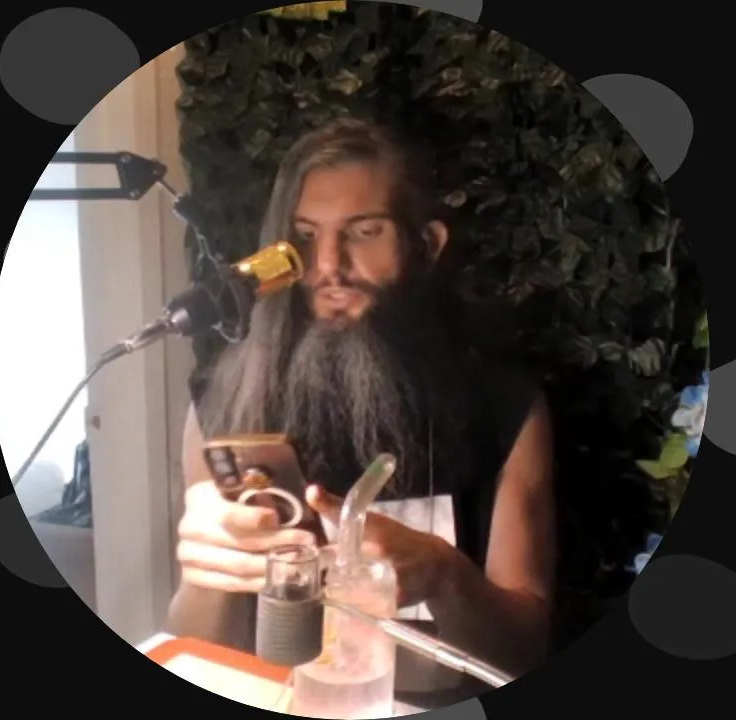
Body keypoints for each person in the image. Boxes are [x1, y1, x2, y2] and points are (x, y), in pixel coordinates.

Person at [165, 117, 557, 680]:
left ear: (426, 245)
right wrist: (207, 575)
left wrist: (445, 575)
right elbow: (199, 651)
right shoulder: (222, 403)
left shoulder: (505, 404)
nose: (328, 266)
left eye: (364, 232)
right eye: (305, 236)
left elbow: (524, 653)